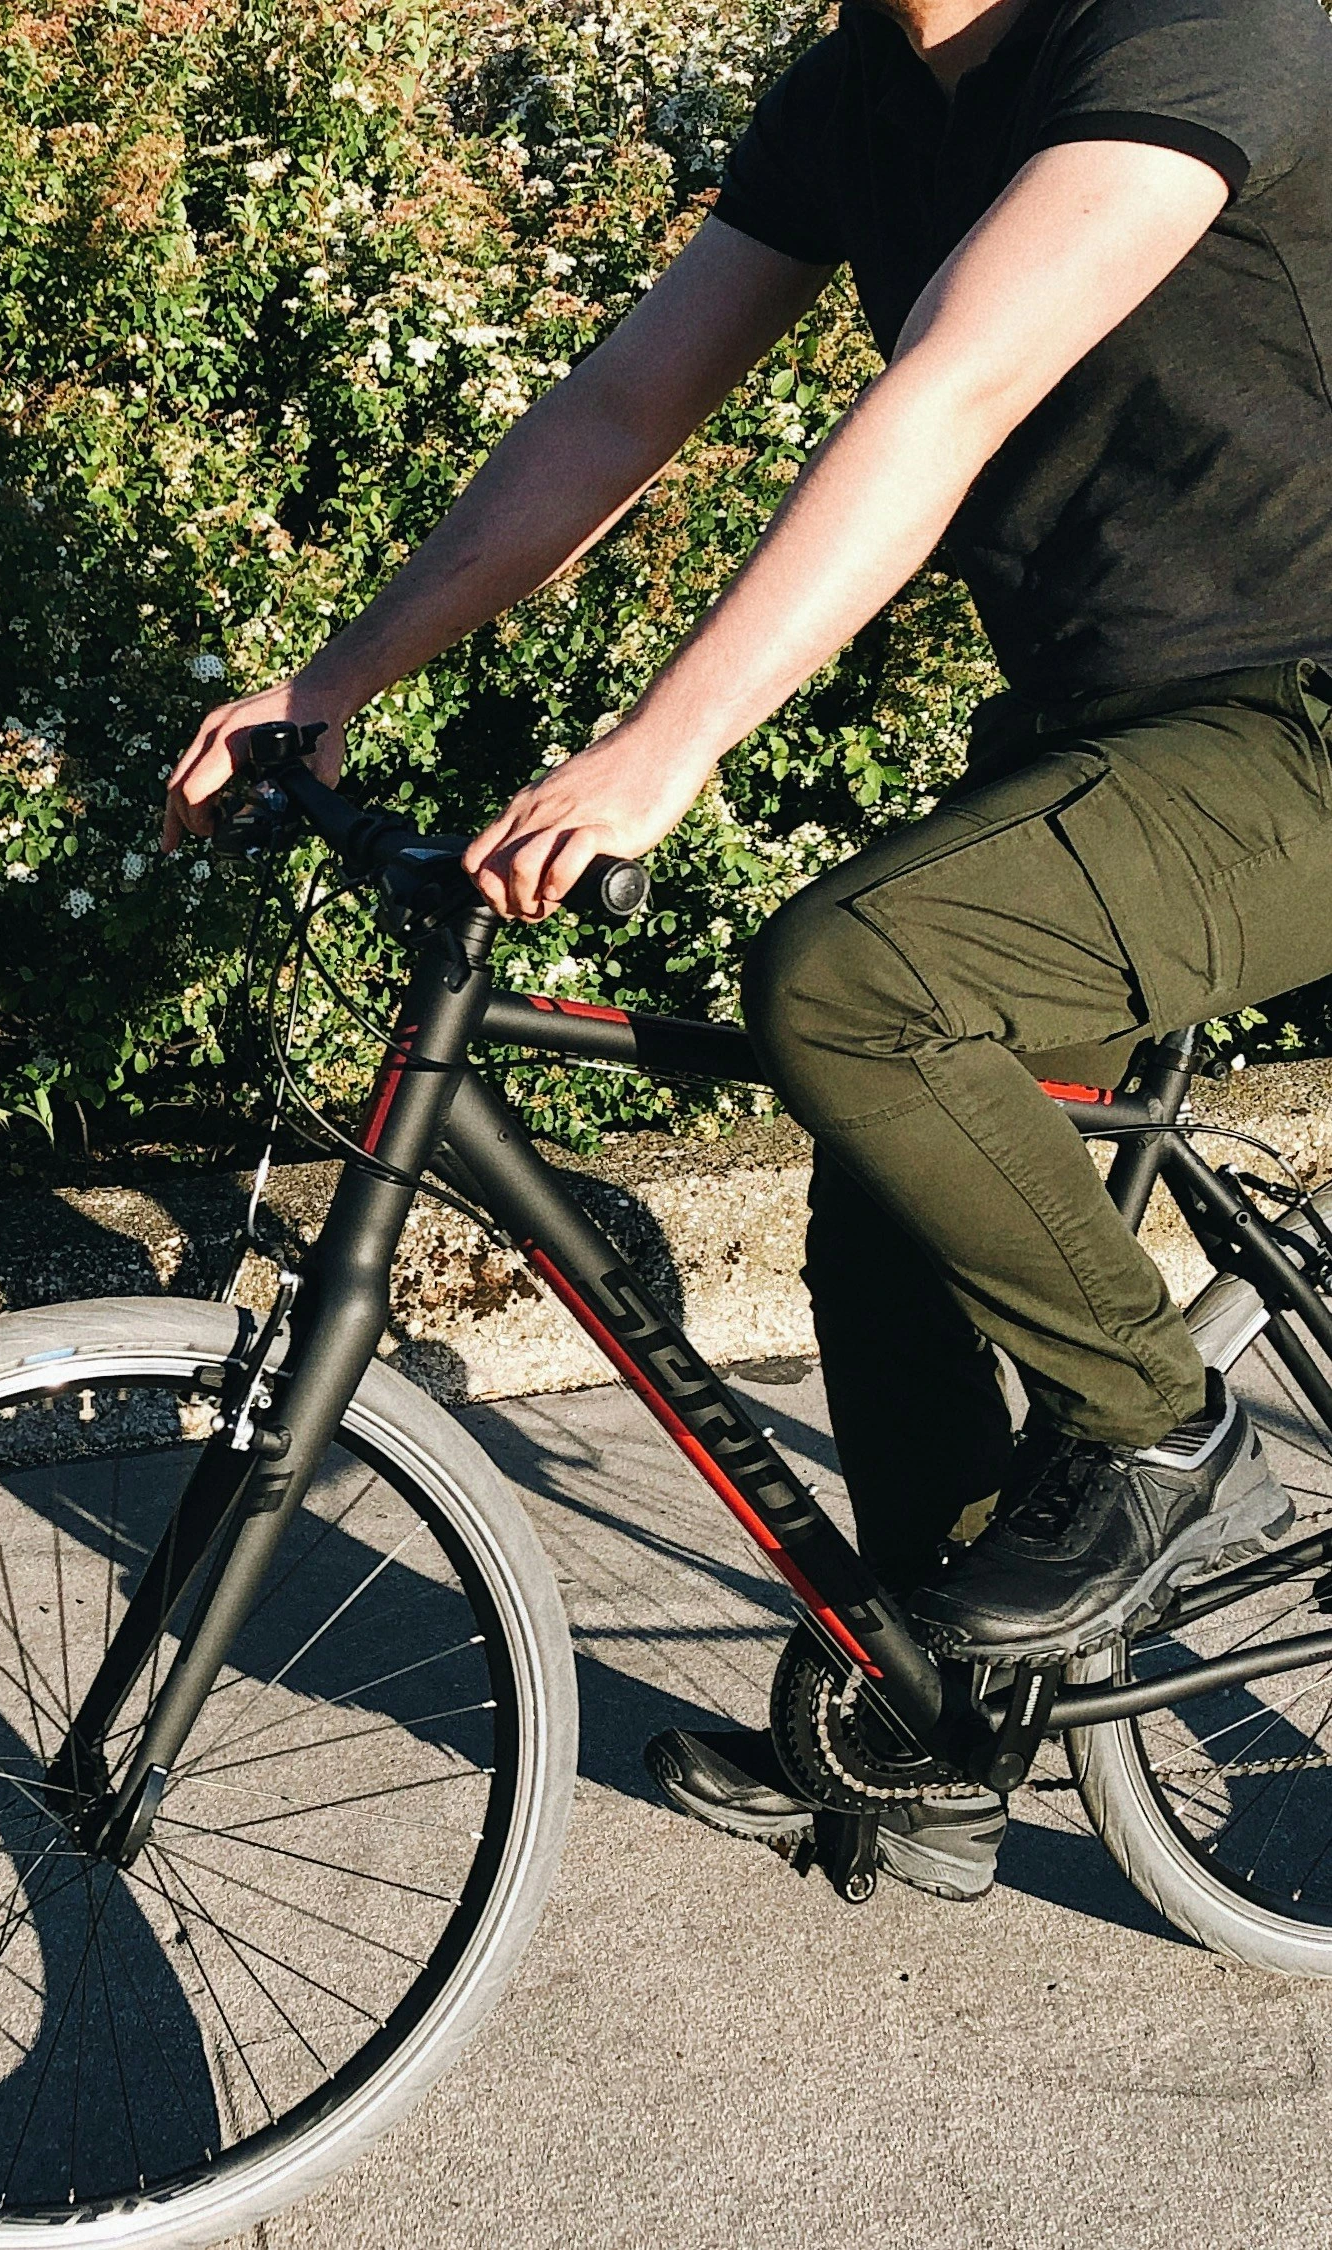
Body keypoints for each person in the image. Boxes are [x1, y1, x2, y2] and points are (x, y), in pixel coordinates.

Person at [165, 0, 1332, 1900]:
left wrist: (660, 746)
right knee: (883, 1189)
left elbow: (955, 382)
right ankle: (951, 1733)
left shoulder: (1210, 25)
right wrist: (332, 681)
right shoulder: (859, 101)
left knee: (858, 985)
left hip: (1302, 718)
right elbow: (623, 410)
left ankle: (1164, 1432)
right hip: (1106, 732)